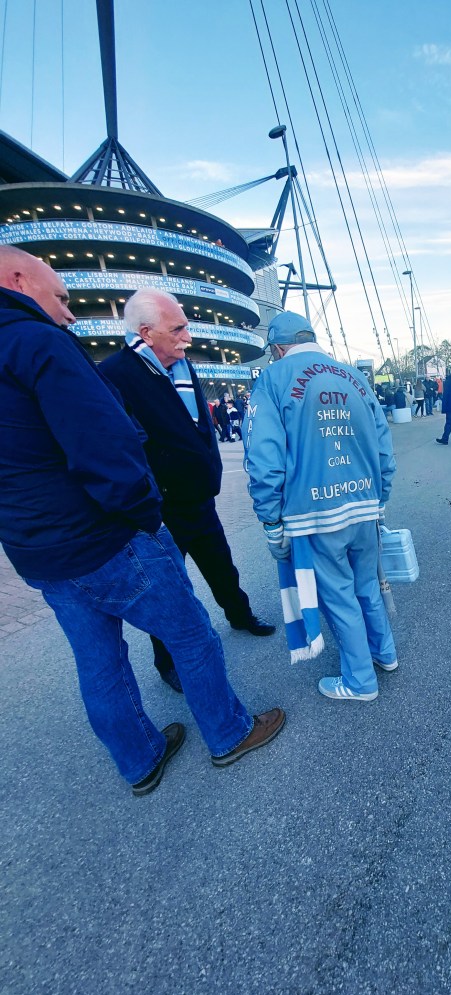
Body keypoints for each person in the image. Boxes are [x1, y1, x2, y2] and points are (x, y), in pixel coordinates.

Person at [0, 245, 284, 795]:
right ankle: (230, 733)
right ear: (17, 280)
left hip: (39, 551)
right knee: (192, 635)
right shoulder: (38, 342)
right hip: (102, 536)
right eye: (60, 297)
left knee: (99, 663)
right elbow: (103, 441)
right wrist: (146, 514)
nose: (69, 313)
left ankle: (139, 759)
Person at [100, 287, 276, 694]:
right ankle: (167, 662)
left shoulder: (182, 367)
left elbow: (196, 427)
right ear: (146, 332)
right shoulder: (115, 374)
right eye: (178, 329)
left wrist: (210, 467)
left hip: (198, 498)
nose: (188, 337)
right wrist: (149, 496)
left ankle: (240, 615)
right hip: (160, 508)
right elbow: (123, 445)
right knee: (168, 590)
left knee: (221, 565)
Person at [244, 311, 397, 702]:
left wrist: (271, 522)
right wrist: (381, 497)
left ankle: (360, 681)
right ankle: (384, 652)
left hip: (313, 512)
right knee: (367, 585)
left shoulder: (273, 380)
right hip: (364, 502)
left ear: (278, 348)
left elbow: (264, 460)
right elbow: (383, 444)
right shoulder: (355, 376)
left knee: (338, 596)